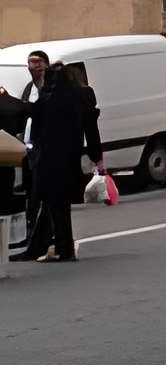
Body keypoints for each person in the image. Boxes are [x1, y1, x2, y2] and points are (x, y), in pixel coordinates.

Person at [21, 61, 105, 264]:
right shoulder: (82, 96)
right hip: (70, 156)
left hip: (50, 157)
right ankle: (58, 246)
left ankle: (63, 248)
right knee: (59, 203)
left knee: (55, 203)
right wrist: (97, 156)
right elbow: (91, 129)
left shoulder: (48, 98)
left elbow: (34, 121)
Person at [3, 50, 49, 260]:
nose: (35, 66)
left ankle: (41, 238)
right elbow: (22, 113)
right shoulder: (29, 89)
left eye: (39, 62)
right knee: (31, 190)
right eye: (31, 63)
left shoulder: (50, 89)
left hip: (45, 147)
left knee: (41, 193)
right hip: (29, 147)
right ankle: (32, 234)